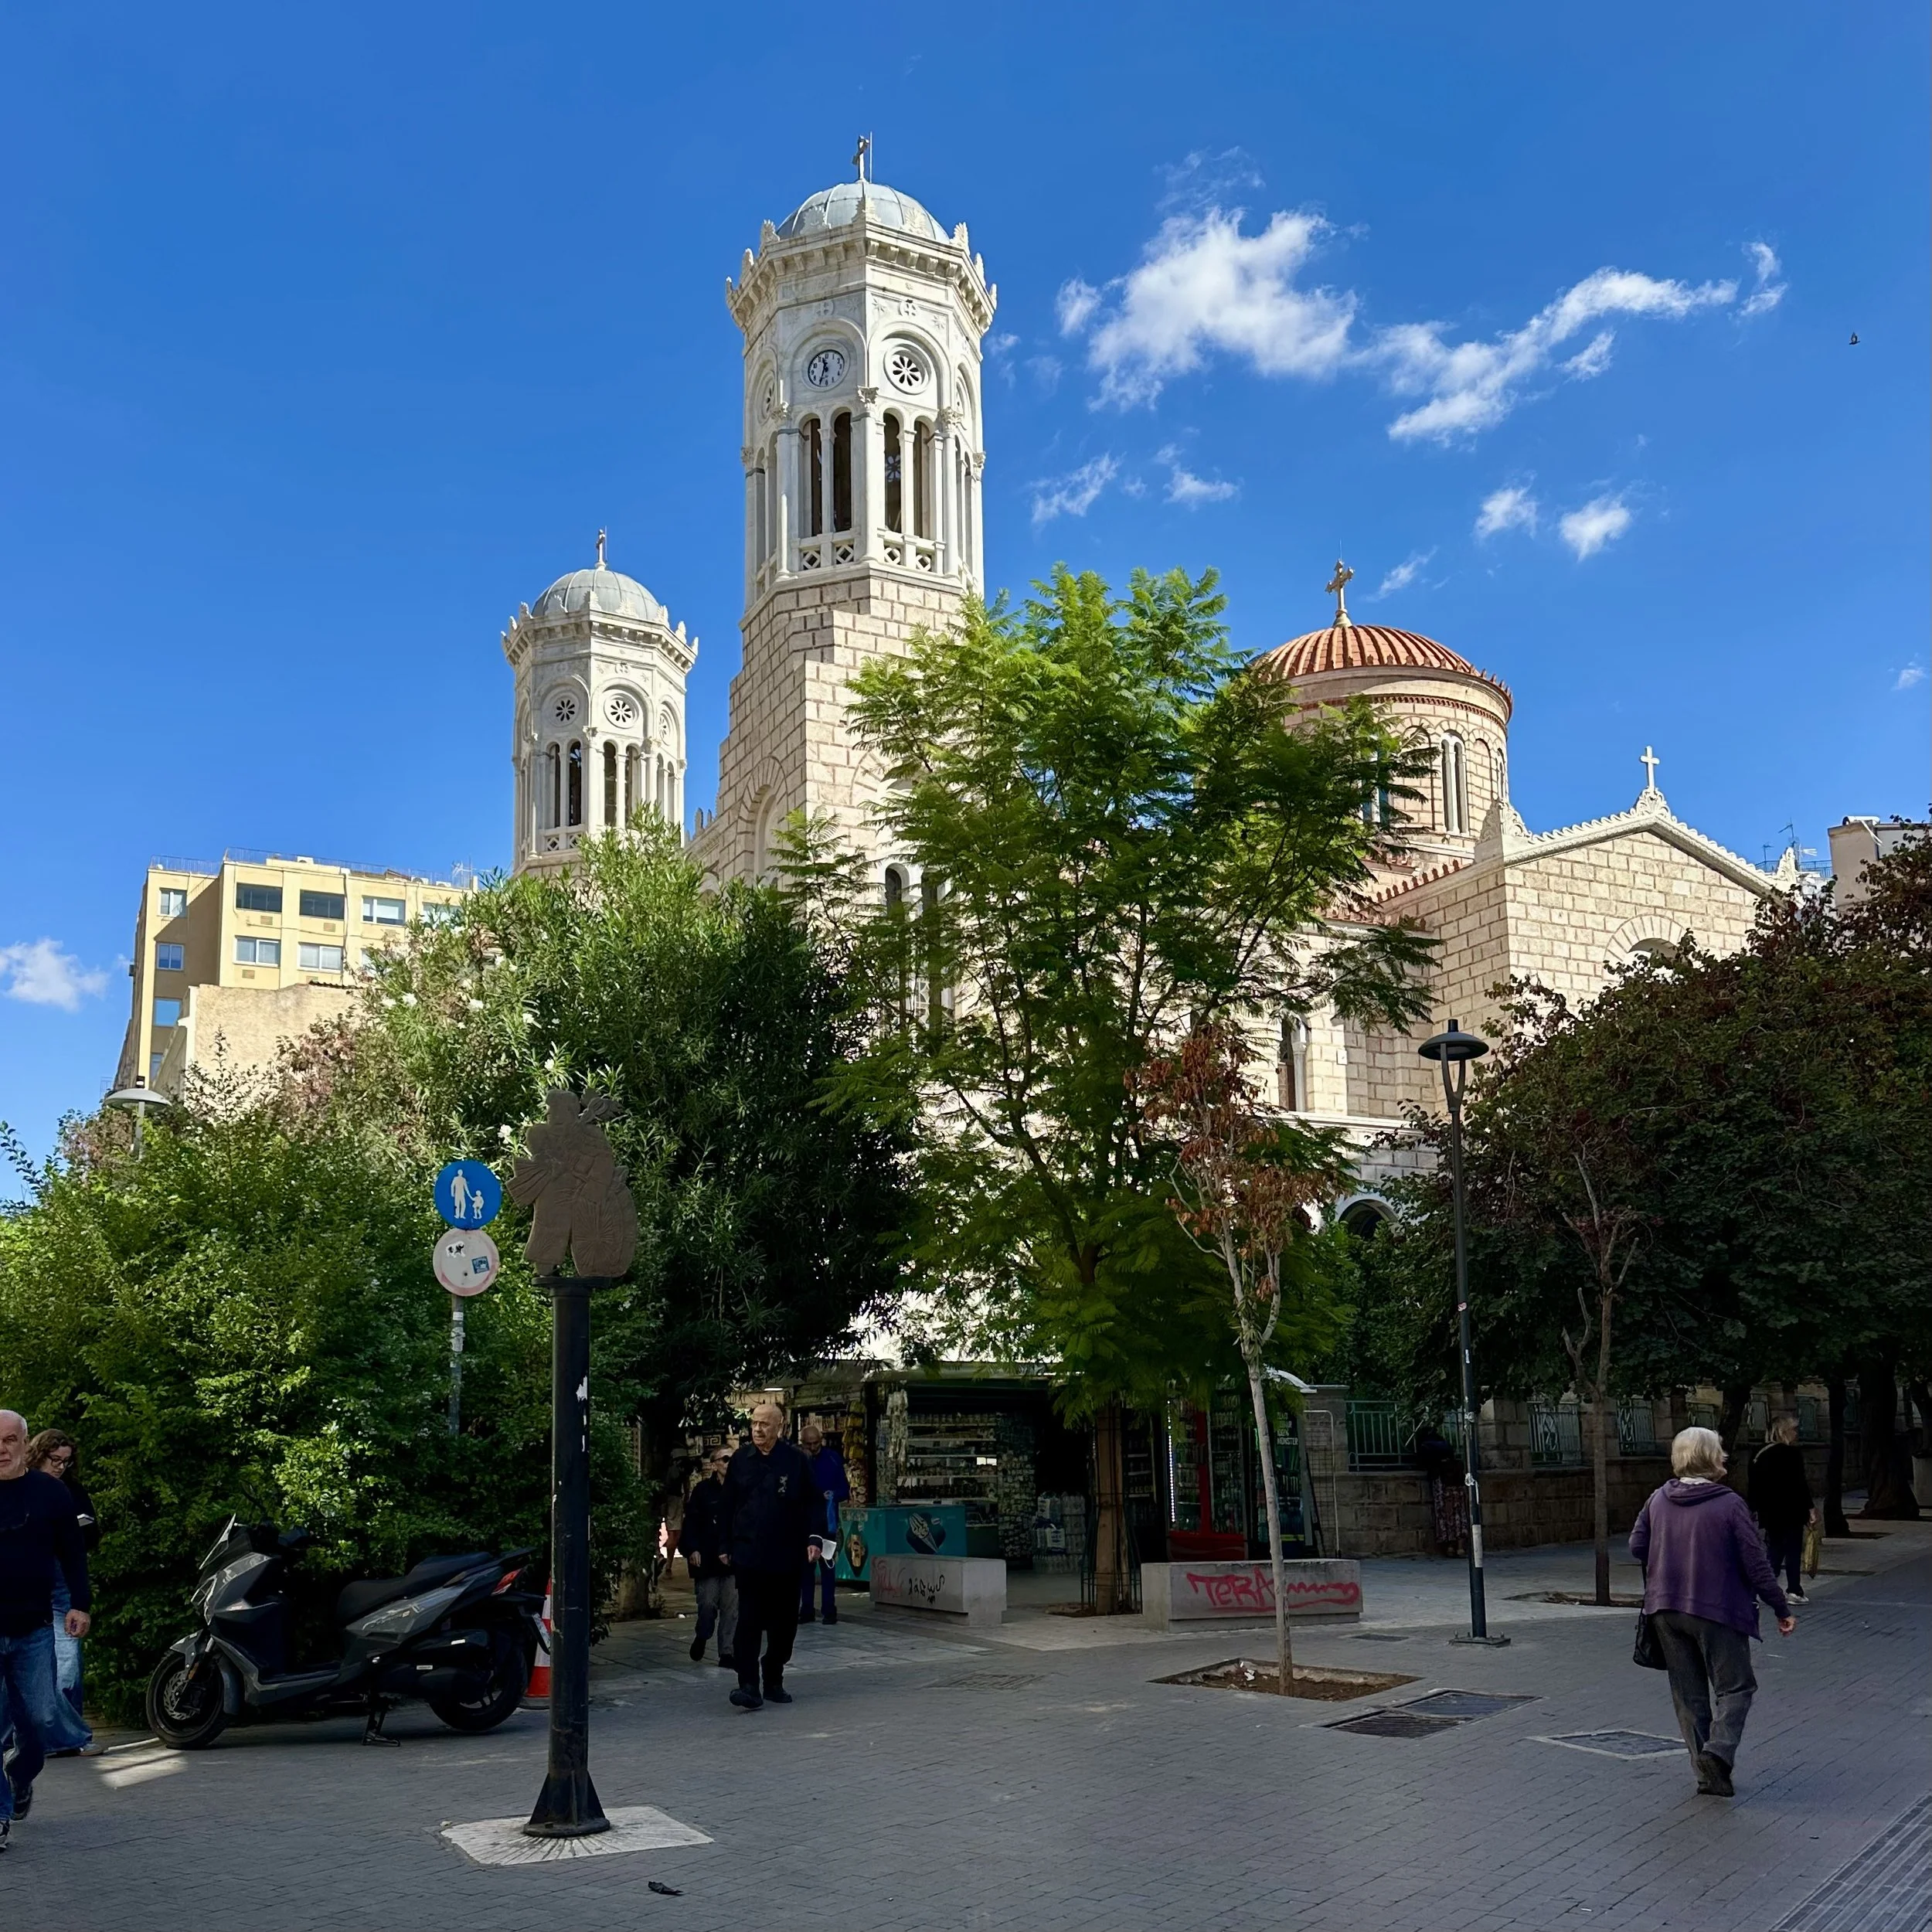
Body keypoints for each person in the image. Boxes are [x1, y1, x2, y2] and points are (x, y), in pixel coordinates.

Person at [1629, 1425, 1794, 1798]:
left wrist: (1673, 1552)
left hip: (1665, 1610)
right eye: (1719, 1450)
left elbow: (1638, 1546)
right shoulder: (1729, 1504)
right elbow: (1756, 1563)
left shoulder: (1658, 1499)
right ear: (1707, 1457)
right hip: (1717, 1609)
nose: (1724, 1456)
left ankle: (1708, 1776)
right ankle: (1717, 1754)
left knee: (1689, 1695)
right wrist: (1781, 1607)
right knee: (1736, 1687)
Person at [0, 1410, 93, 1854]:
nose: (1, 1449)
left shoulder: (51, 1493)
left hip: (33, 1628)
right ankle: (0, 1815)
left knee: (39, 1720)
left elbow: (74, 1554)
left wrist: (80, 1604)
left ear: (24, 1443)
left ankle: (19, 1778)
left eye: (9, 1440)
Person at [718, 1401, 815, 1711]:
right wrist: (724, 1545)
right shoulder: (740, 1461)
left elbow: (813, 1503)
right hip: (749, 1554)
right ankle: (748, 1684)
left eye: (765, 1424)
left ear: (780, 1427)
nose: (758, 1430)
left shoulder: (796, 1461)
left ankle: (774, 1676)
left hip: (787, 1556)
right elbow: (727, 1506)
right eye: (755, 1424)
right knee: (748, 1619)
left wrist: (815, 1538)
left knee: (784, 1623)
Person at [25, 1431, 95, 1754]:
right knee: (32, 1663)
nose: (60, 1468)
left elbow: (90, 1539)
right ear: (38, 1454)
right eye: (55, 1461)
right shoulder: (20, 1485)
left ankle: (65, 1738)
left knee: (67, 1663)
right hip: (29, 1583)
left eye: (66, 1462)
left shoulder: (71, 1490)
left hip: (62, 1581)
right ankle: (54, 1736)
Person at [678, 1446, 738, 1670]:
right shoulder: (703, 1491)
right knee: (707, 1604)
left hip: (732, 1558)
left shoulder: (740, 1489)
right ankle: (703, 1635)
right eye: (725, 1459)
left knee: (732, 1607)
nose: (729, 1463)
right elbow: (691, 1522)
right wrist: (692, 1549)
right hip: (708, 1558)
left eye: (733, 1459)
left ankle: (727, 1652)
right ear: (714, 1464)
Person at [1748, 1414, 1817, 1603]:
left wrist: (1752, 1508)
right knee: (1792, 1550)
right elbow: (1800, 1485)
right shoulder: (1791, 1454)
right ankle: (1794, 1590)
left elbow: (1753, 1484)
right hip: (1792, 1510)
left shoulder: (1757, 1453)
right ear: (1784, 1431)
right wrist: (1810, 1509)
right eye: (1794, 1429)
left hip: (1769, 1511)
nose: (1796, 1433)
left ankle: (1760, 1589)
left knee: (1775, 1549)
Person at [798, 1416, 850, 1626]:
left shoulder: (832, 1459)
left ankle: (829, 1610)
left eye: (816, 1443)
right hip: (804, 1525)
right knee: (805, 1570)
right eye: (808, 1444)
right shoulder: (798, 1461)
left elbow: (845, 1490)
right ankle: (807, 1609)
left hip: (827, 1525)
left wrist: (833, 1495)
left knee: (828, 1567)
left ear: (822, 1440)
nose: (813, 1448)